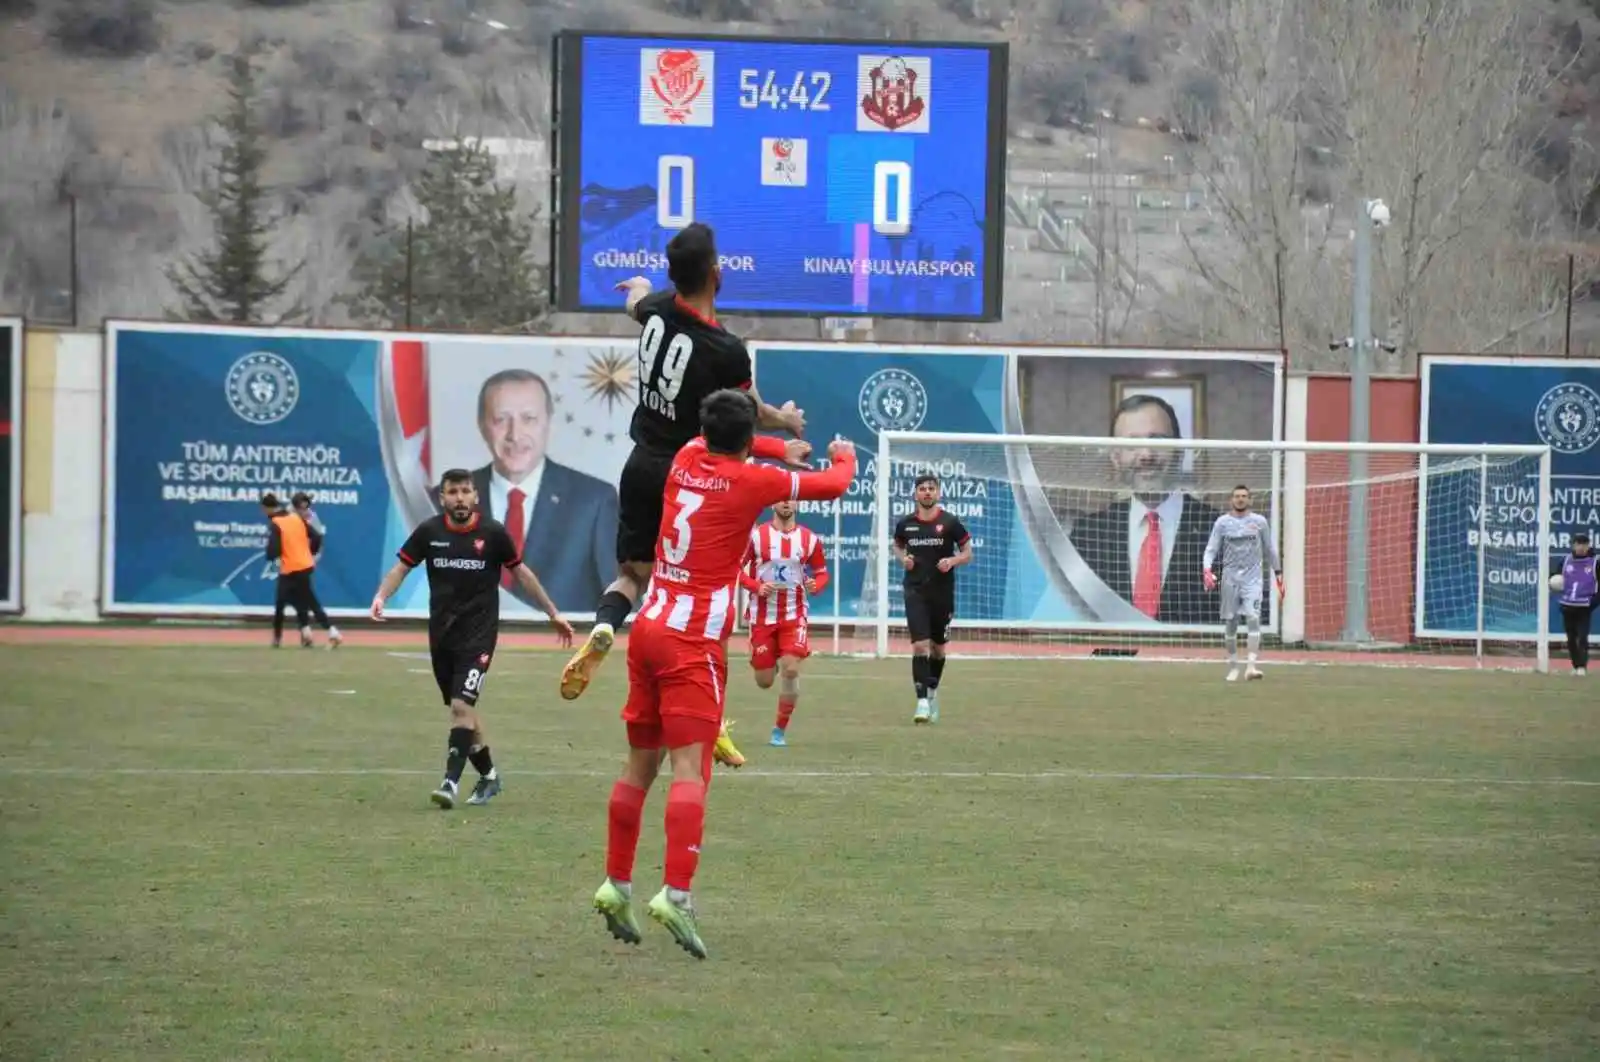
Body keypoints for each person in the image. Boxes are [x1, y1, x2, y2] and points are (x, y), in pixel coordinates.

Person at [592, 390, 855, 960]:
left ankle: (616, 882)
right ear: (745, 442)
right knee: (691, 768)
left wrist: (775, 444)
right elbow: (834, 486)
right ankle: (677, 895)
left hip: (651, 626)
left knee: (639, 765)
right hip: (693, 642)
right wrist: (842, 453)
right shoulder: (752, 482)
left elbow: (730, 440)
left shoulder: (686, 456)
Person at [559, 222, 808, 769]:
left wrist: (636, 288)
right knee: (706, 603)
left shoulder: (658, 308)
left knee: (632, 575)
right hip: (688, 478)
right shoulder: (726, 350)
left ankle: (605, 623)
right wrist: (785, 423)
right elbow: (749, 412)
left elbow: (637, 305)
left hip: (638, 464)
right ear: (716, 274)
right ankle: (710, 720)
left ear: (674, 276)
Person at [370, 468, 574, 809]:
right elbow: (401, 567)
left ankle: (449, 783)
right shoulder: (429, 532)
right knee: (462, 709)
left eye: (466, 491)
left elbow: (521, 573)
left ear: (476, 497)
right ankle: (490, 776)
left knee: (462, 706)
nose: (460, 498)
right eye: (453, 492)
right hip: (442, 637)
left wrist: (553, 613)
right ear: (442, 497)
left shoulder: (493, 534)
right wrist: (381, 596)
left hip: (478, 637)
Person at [469, 368, 618, 614]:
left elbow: (619, 601)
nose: (515, 435)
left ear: (549, 423)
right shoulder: (443, 501)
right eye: (500, 419)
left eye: (529, 419)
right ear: (482, 425)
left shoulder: (594, 502)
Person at [1070, 394, 1223, 624]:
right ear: (1115, 457)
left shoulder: (1223, 532)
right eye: (1132, 444)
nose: (1146, 456)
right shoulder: (1087, 534)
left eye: (1157, 440)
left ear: (1180, 451)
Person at [738, 500, 829, 747]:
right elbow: (736, 570)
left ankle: (779, 730)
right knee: (764, 680)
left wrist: (816, 585)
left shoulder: (809, 539)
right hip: (762, 617)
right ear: (773, 503)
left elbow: (821, 572)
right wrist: (757, 586)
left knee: (791, 668)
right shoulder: (757, 537)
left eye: (791, 498)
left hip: (794, 614)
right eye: (782, 498)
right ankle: (770, 657)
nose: (787, 503)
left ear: (797, 504)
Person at [891, 475, 972, 724]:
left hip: (942, 593)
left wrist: (953, 561)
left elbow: (968, 552)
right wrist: (902, 559)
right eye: (922, 489)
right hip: (915, 590)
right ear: (915, 494)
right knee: (919, 646)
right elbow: (897, 545)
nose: (927, 492)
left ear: (938, 493)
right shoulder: (906, 524)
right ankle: (922, 702)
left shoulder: (949, 522)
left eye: (931, 489)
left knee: (938, 649)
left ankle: (933, 691)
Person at [1202, 485, 1283, 681]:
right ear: (1231, 500)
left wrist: (1279, 574)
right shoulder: (1222, 523)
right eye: (1237, 496)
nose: (1240, 499)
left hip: (1252, 579)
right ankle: (1233, 667)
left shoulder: (1259, 522)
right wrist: (1207, 568)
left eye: (1244, 496)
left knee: (1253, 618)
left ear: (1250, 500)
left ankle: (1251, 667)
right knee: (1231, 624)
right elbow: (1211, 549)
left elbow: (1270, 549)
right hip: (1230, 579)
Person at [264, 492, 342, 649]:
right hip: (304, 566)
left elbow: (273, 550)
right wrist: (309, 553)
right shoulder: (296, 519)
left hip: (290, 567)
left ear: (265, 509)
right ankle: (306, 633)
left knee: (285, 602)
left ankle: (331, 632)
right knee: (303, 600)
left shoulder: (277, 523)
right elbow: (317, 536)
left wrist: (273, 558)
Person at [1553, 532, 1598, 675]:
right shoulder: (1565, 561)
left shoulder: (1595, 562)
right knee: (1571, 637)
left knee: (1582, 636)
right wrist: (1553, 583)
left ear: (1587, 546)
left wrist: (1592, 602)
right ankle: (1575, 665)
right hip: (1568, 605)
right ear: (1573, 545)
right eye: (1578, 544)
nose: (1580, 547)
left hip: (1584, 606)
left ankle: (1582, 666)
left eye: (1583, 544)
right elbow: (1555, 578)